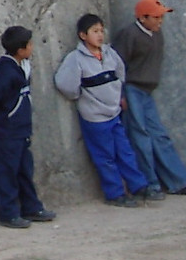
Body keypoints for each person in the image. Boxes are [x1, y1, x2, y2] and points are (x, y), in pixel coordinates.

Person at [54, 14, 151, 207]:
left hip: (114, 112)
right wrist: (79, 96)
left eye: (101, 31)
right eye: (95, 31)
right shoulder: (76, 59)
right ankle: (115, 194)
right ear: (83, 35)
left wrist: (119, 95)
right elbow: (65, 84)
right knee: (105, 156)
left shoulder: (109, 53)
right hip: (95, 117)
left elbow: (120, 73)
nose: (100, 35)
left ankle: (138, 186)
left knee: (125, 151)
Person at [112, 0, 186, 198]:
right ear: (143, 18)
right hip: (132, 89)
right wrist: (119, 95)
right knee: (140, 137)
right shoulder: (129, 35)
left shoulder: (156, 34)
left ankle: (178, 182)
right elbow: (116, 66)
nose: (160, 21)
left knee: (159, 136)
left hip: (146, 92)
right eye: (156, 17)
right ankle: (149, 185)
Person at [0, 25, 57, 229]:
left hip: (21, 130)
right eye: (29, 45)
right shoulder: (6, 72)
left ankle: (31, 207)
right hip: (6, 132)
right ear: (20, 49)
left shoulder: (22, 67)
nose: (32, 48)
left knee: (24, 170)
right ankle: (8, 213)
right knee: (6, 173)